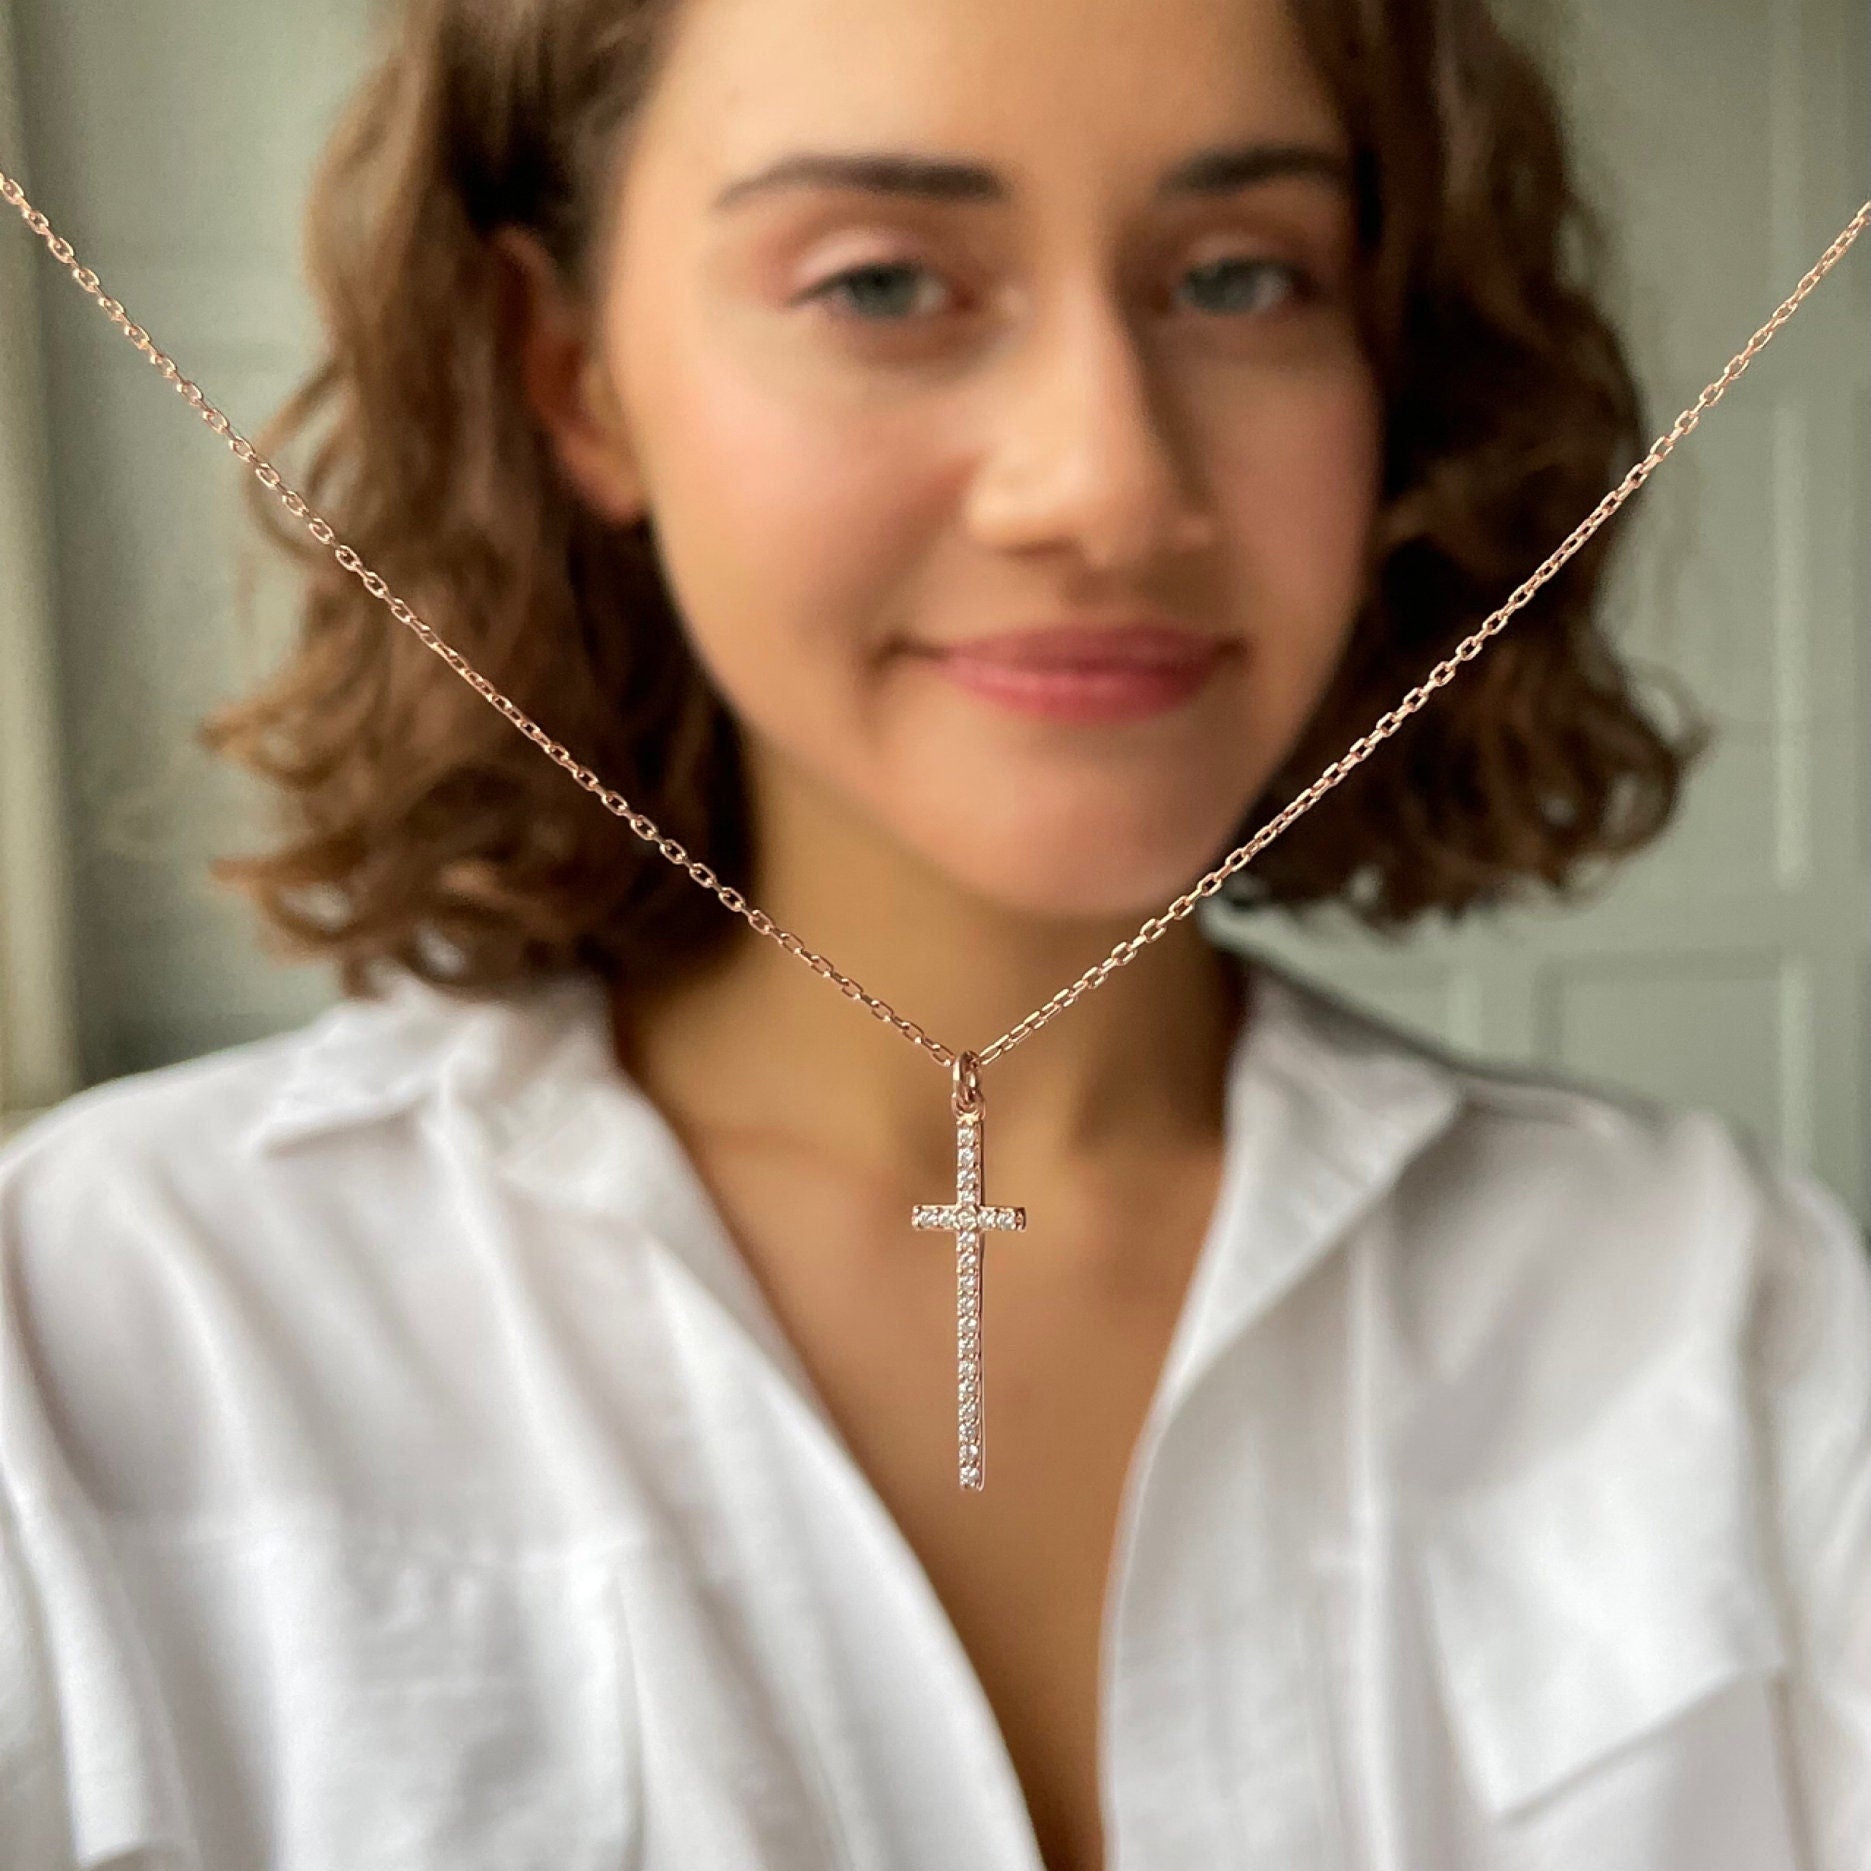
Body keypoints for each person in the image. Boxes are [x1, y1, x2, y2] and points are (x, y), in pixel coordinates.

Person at [2, 0, 1866, 1864]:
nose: (1108, 485)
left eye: (1240, 277)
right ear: (571, 373)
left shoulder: (1725, 1315)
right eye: (882, 285)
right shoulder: (93, 1345)